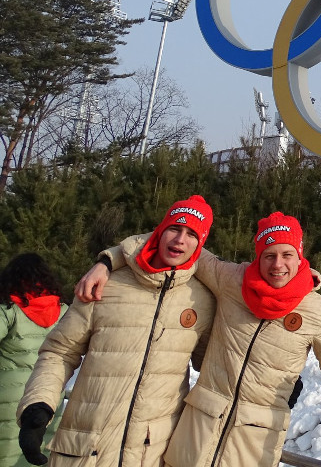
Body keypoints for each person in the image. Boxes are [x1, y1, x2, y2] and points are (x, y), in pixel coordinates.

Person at [78, 211, 321, 467]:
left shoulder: (320, 311)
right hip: (195, 436)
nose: (277, 265)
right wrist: (108, 260)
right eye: (269, 255)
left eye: (287, 255)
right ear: (258, 256)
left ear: (300, 256)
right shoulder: (231, 279)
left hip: (252, 446)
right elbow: (178, 243)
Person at [17, 196, 216, 467]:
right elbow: (60, 352)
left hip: (150, 454)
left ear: (200, 243)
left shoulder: (201, 299)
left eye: (192, 233)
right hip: (84, 450)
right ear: (159, 232)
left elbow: (217, 366)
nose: (180, 239)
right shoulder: (105, 284)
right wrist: (38, 403)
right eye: (174, 228)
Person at [1, 254, 67, 467]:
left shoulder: (8, 310)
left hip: (7, 402)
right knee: (39, 456)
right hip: (49, 400)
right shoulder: (65, 312)